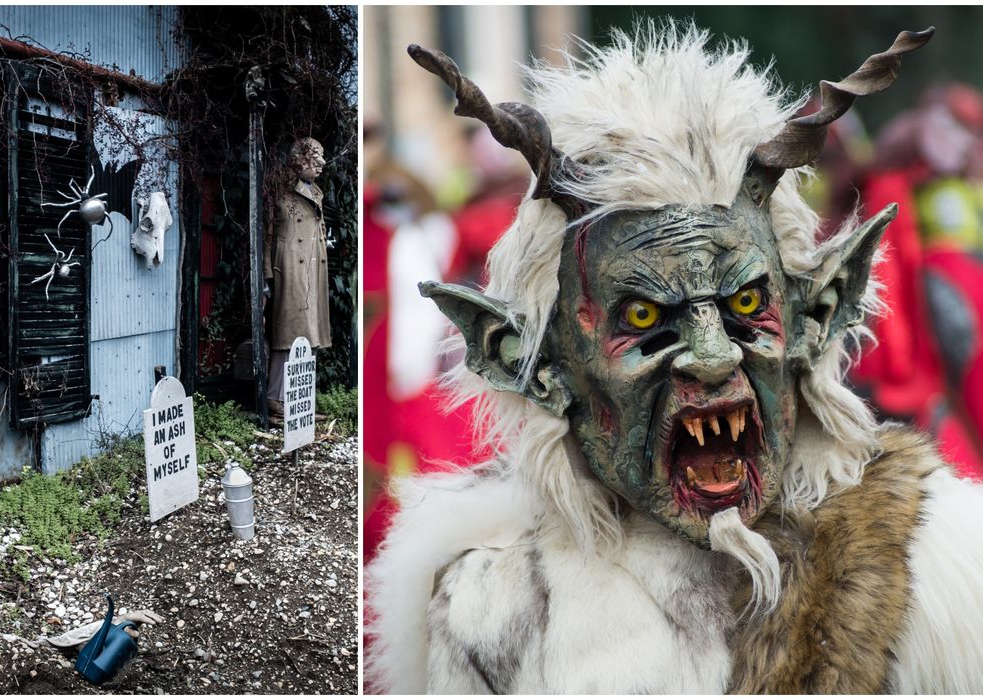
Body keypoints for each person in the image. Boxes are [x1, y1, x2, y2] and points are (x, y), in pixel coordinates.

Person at [366, 22, 983, 693]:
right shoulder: (491, 610)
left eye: (747, 306)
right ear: (532, 363)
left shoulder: (938, 573)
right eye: (641, 317)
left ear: (817, 312)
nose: (714, 358)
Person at [265, 137, 331, 414]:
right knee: (287, 332)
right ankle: (276, 395)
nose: (322, 164)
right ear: (299, 160)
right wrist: (267, 275)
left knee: (309, 333)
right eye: (315, 159)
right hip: (290, 267)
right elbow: (266, 236)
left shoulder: (315, 192)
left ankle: (300, 396)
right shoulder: (280, 193)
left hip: (312, 270)